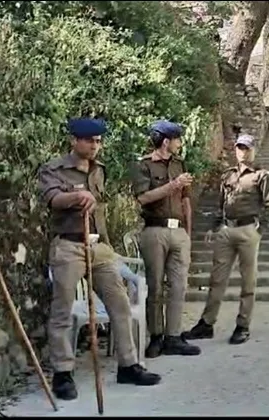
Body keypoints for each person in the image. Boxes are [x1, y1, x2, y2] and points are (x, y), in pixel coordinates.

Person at [37, 117, 161, 401]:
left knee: (119, 303)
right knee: (62, 312)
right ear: (74, 141)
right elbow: (53, 199)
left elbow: (99, 209)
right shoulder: (53, 169)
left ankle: (128, 365)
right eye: (89, 141)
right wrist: (77, 197)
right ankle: (63, 374)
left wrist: (107, 244)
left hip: (98, 248)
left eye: (98, 141)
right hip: (68, 246)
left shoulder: (99, 170)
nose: (95, 146)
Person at [183, 134, 269, 345]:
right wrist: (214, 226)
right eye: (240, 148)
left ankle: (243, 326)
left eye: (247, 148)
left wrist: (259, 230)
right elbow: (221, 205)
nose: (243, 152)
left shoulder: (261, 176)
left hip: (247, 230)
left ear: (253, 151)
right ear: (235, 150)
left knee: (248, 281)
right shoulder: (228, 175)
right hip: (227, 230)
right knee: (217, 279)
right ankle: (206, 324)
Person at [131, 120, 201, 358]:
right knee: (155, 286)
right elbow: (142, 198)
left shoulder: (180, 164)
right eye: (177, 139)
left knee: (179, 286)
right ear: (166, 142)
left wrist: (188, 234)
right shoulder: (144, 166)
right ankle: (156, 336)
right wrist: (172, 185)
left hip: (178, 232)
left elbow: (186, 201)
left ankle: (173, 336)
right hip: (155, 230)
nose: (180, 144)